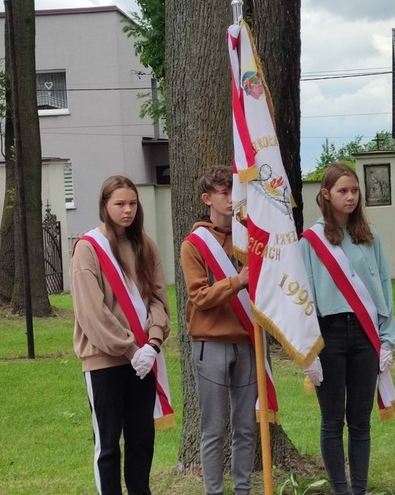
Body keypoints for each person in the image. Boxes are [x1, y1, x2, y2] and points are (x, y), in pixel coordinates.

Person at [300, 162, 395, 495]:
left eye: (355, 191)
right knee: (332, 420)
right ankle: (340, 490)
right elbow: (306, 297)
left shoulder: (370, 237)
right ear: (326, 195)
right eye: (343, 191)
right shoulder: (310, 242)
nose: (351, 197)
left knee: (361, 420)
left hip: (365, 334)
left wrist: (388, 339)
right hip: (329, 335)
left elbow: (384, 287)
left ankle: (359, 489)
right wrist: (308, 349)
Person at [71, 175, 171, 495]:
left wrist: (153, 343)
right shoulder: (88, 248)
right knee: (109, 445)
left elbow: (157, 299)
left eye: (132, 203)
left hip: (144, 358)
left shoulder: (145, 244)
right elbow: (92, 312)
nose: (127, 210)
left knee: (142, 440)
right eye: (119, 204)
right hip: (105, 361)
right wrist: (130, 350)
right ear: (104, 206)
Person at [180, 165, 257, 495]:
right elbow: (199, 297)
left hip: (247, 341)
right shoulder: (194, 244)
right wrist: (238, 281)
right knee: (214, 429)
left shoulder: (249, 238)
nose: (231, 200)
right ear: (207, 198)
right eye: (225, 193)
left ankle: (244, 490)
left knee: (246, 428)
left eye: (234, 193)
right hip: (210, 343)